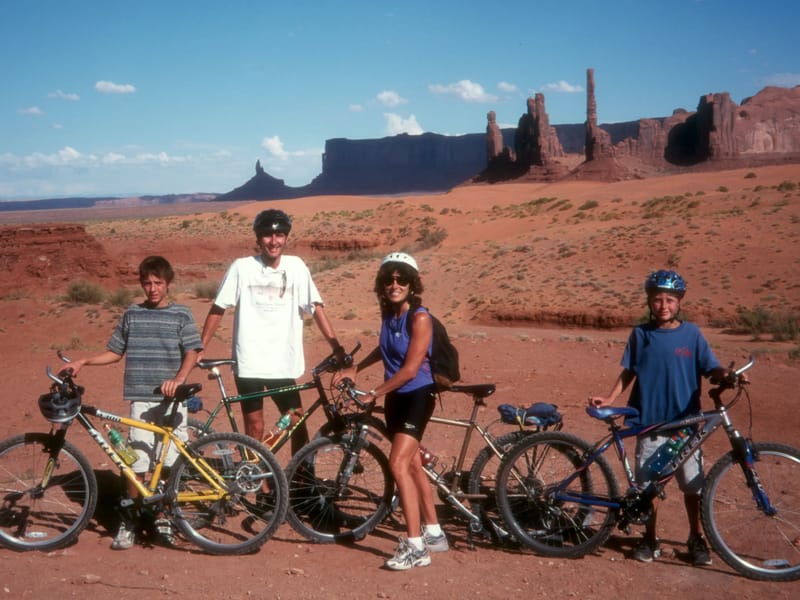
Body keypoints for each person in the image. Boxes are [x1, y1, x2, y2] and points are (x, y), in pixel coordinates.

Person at [588, 269, 734, 566]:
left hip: (686, 426)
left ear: (679, 302)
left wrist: (725, 375)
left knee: (692, 488)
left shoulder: (692, 334)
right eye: (657, 300)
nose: (663, 305)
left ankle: (696, 537)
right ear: (649, 302)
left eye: (669, 299)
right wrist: (611, 397)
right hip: (650, 423)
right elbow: (629, 370)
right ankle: (649, 538)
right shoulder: (641, 334)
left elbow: (711, 368)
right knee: (648, 488)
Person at [64, 256, 202, 550]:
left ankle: (165, 517)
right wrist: (84, 361)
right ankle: (129, 521)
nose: (152, 289)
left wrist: (179, 379)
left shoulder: (182, 314)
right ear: (142, 284)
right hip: (141, 398)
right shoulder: (132, 314)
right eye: (147, 283)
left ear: (168, 283)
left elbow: (193, 351)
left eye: (158, 283)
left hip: (172, 401)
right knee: (135, 463)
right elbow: (115, 352)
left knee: (170, 464)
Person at [335, 252, 448, 571]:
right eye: (388, 279)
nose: (394, 284)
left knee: (397, 464)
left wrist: (375, 392)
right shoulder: (389, 315)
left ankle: (415, 547)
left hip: (416, 395)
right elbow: (385, 348)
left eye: (401, 279)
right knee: (412, 465)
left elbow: (411, 369)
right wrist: (358, 368)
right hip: (396, 397)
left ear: (413, 284)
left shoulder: (420, 317)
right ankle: (435, 533)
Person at [199, 208, 342, 454]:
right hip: (249, 362)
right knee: (254, 426)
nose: (273, 241)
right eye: (267, 235)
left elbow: (316, 308)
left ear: (286, 238)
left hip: (282, 362)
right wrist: (199, 348)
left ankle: (300, 484)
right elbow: (218, 308)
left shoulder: (296, 267)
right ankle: (261, 486)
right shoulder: (241, 268)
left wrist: (336, 347)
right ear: (258, 238)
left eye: (279, 235)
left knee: (296, 421)